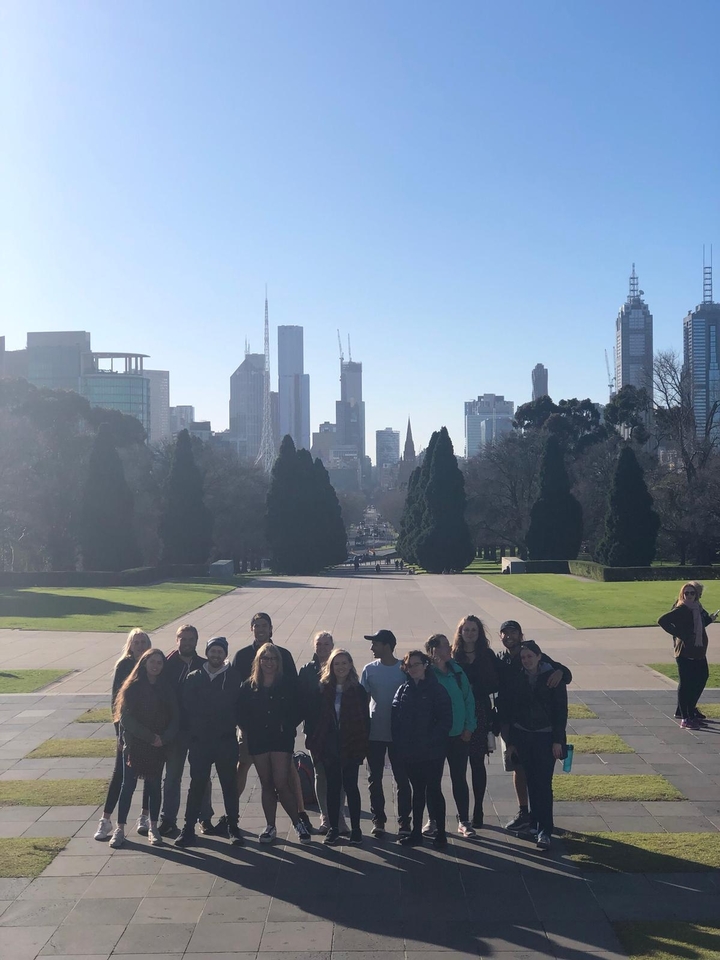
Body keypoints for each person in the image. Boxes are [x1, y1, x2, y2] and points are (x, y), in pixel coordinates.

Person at [231, 613, 312, 833]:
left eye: (264, 626)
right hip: (253, 733)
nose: (260, 629)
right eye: (256, 625)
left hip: (280, 734)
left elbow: (297, 697)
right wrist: (245, 728)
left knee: (284, 776)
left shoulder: (284, 655)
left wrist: (288, 725)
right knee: (246, 767)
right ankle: (233, 814)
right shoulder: (242, 657)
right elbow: (237, 698)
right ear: (251, 629)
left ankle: (300, 815)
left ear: (271, 628)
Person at [495, 620, 572, 834]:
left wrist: (560, 673)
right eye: (505, 633)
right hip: (513, 722)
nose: (509, 636)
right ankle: (526, 813)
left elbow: (564, 673)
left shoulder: (532, 653)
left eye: (513, 632)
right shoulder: (500, 659)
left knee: (540, 779)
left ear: (520, 635)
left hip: (538, 729)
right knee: (518, 768)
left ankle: (540, 822)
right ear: (500, 636)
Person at [175, 637, 245, 848]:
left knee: (229, 786)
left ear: (225, 655)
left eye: (220, 652)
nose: (216, 655)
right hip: (200, 742)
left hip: (225, 741)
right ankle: (188, 829)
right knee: (197, 786)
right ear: (207, 653)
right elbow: (188, 707)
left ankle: (233, 828)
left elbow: (235, 706)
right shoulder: (194, 677)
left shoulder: (233, 677)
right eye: (213, 651)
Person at [109, 648, 179, 849]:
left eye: (159, 662)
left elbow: (175, 717)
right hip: (135, 746)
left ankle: (153, 827)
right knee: (128, 787)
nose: (155, 666)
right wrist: (149, 736)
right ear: (144, 663)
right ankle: (120, 829)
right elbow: (125, 718)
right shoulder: (132, 687)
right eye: (152, 662)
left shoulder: (166, 688)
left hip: (157, 746)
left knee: (154, 786)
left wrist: (163, 738)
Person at [94, 628, 152, 841]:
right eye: (136, 642)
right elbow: (115, 702)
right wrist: (119, 732)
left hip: (149, 729)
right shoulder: (124, 665)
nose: (140, 646)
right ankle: (106, 819)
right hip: (127, 729)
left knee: (149, 773)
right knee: (120, 773)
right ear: (130, 645)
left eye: (143, 642)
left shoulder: (152, 664)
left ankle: (144, 816)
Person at [308, 649, 370, 846]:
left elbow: (364, 720)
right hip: (329, 745)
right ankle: (333, 828)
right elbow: (315, 717)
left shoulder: (358, 690)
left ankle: (356, 829)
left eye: (344, 663)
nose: (341, 667)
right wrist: (316, 743)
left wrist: (363, 745)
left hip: (352, 743)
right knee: (333, 787)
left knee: (351, 786)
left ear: (350, 665)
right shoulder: (323, 689)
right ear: (331, 667)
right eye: (337, 664)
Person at [391, 650, 452, 847]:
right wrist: (401, 745)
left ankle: (441, 834)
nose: (413, 668)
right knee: (417, 792)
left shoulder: (437, 690)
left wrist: (430, 742)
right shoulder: (403, 690)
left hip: (432, 752)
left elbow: (445, 721)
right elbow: (395, 721)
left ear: (425, 665)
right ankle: (416, 832)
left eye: (417, 664)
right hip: (410, 752)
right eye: (409, 665)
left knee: (434, 790)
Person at [158, 624, 214, 837]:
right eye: (183, 639)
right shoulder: (167, 664)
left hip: (198, 730)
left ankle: (205, 817)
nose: (187, 643)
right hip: (175, 730)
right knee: (172, 776)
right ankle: (168, 819)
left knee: (202, 776)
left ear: (197, 641)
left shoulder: (204, 665)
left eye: (191, 639)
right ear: (177, 640)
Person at [361, 630, 412, 838]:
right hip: (375, 732)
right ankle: (378, 819)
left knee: (402, 779)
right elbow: (362, 700)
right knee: (374, 778)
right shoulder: (369, 670)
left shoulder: (403, 669)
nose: (372, 648)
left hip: (399, 734)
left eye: (375, 644)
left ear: (387, 646)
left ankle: (404, 821)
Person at [426, 634, 477, 838]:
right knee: (432, 780)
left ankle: (464, 821)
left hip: (459, 736)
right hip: (435, 738)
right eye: (445, 646)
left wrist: (469, 727)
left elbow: (468, 700)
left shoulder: (457, 671)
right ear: (434, 650)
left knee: (459, 779)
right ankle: (433, 820)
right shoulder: (427, 674)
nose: (450, 649)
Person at [452, 615, 500, 829]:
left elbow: (496, 682)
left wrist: (475, 688)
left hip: (480, 711)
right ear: (460, 632)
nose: (470, 633)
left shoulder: (486, 655)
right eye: (466, 630)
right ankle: (462, 811)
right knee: (459, 765)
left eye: (474, 630)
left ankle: (478, 807)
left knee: (477, 762)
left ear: (479, 633)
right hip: (459, 713)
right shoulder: (453, 656)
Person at [298, 631, 348, 834]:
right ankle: (325, 815)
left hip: (338, 731)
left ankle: (340, 816)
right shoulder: (307, 670)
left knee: (339, 774)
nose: (322, 648)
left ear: (332, 646)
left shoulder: (340, 667)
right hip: (315, 731)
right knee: (320, 773)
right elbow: (300, 700)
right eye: (319, 644)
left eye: (326, 644)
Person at [658, 582, 716, 729]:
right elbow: (662, 620)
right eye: (686, 593)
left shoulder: (697, 608)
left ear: (696, 595)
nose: (689, 595)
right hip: (685, 652)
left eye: (692, 593)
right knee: (686, 684)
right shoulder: (682, 608)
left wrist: (709, 620)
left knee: (701, 678)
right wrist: (681, 635)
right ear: (682, 595)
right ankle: (685, 717)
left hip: (698, 651)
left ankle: (690, 713)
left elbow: (699, 625)